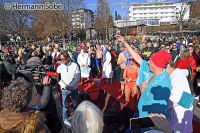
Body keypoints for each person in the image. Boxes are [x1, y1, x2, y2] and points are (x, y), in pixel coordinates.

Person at [115, 35, 172, 119]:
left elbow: (158, 114)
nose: (148, 62)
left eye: (151, 61)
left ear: (156, 65)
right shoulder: (150, 71)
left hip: (150, 123)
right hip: (142, 115)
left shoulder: (163, 83)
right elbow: (138, 58)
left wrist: (144, 91)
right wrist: (124, 42)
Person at [166, 61, 193, 133]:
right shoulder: (175, 74)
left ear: (167, 67)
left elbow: (175, 97)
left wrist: (162, 107)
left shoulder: (177, 76)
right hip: (178, 111)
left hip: (180, 114)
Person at [56, 52, 80, 125]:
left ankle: (76, 117)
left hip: (74, 89)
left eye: (63, 59)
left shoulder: (75, 65)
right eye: (61, 59)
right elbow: (58, 79)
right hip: (64, 90)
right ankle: (65, 119)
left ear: (68, 58)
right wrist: (64, 86)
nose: (62, 60)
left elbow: (77, 77)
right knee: (65, 105)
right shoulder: (59, 67)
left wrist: (70, 86)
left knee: (75, 104)